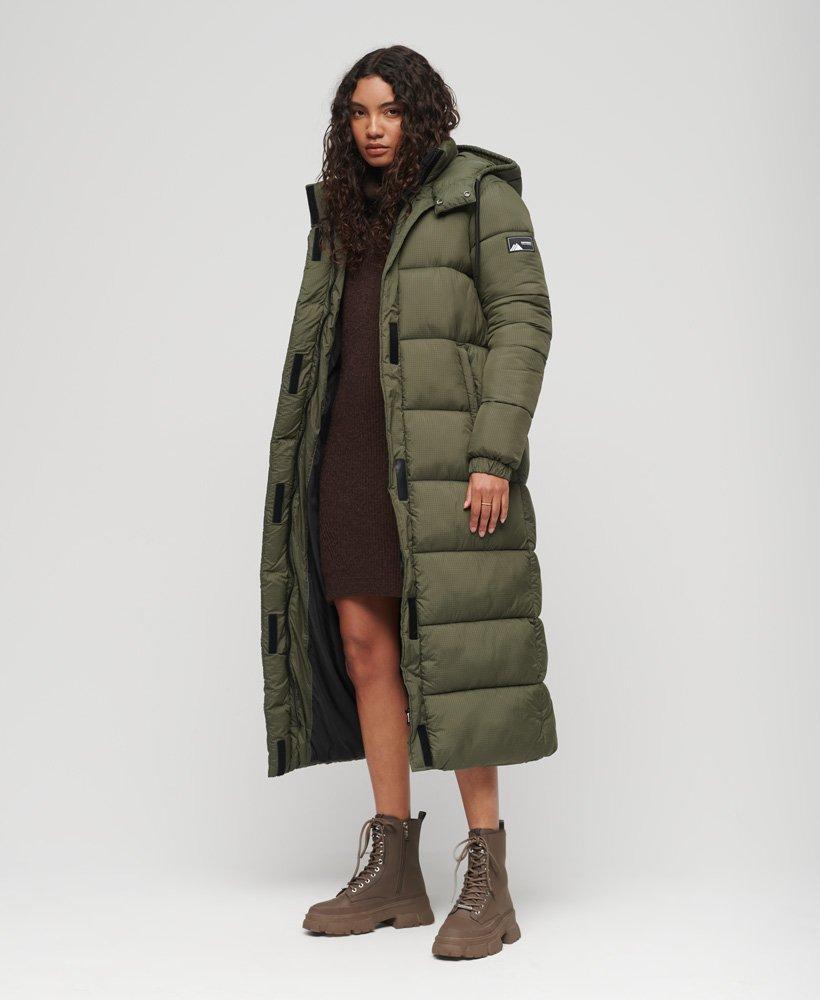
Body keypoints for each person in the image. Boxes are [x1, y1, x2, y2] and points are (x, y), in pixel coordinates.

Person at [259, 44, 556, 960]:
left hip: (443, 460)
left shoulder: (479, 195)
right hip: (351, 453)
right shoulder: (342, 208)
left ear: (423, 112)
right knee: (365, 648)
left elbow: (523, 321)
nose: (373, 128)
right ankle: (394, 868)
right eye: (358, 113)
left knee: (456, 657)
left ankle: (488, 878)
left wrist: (494, 453)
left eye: (389, 110)